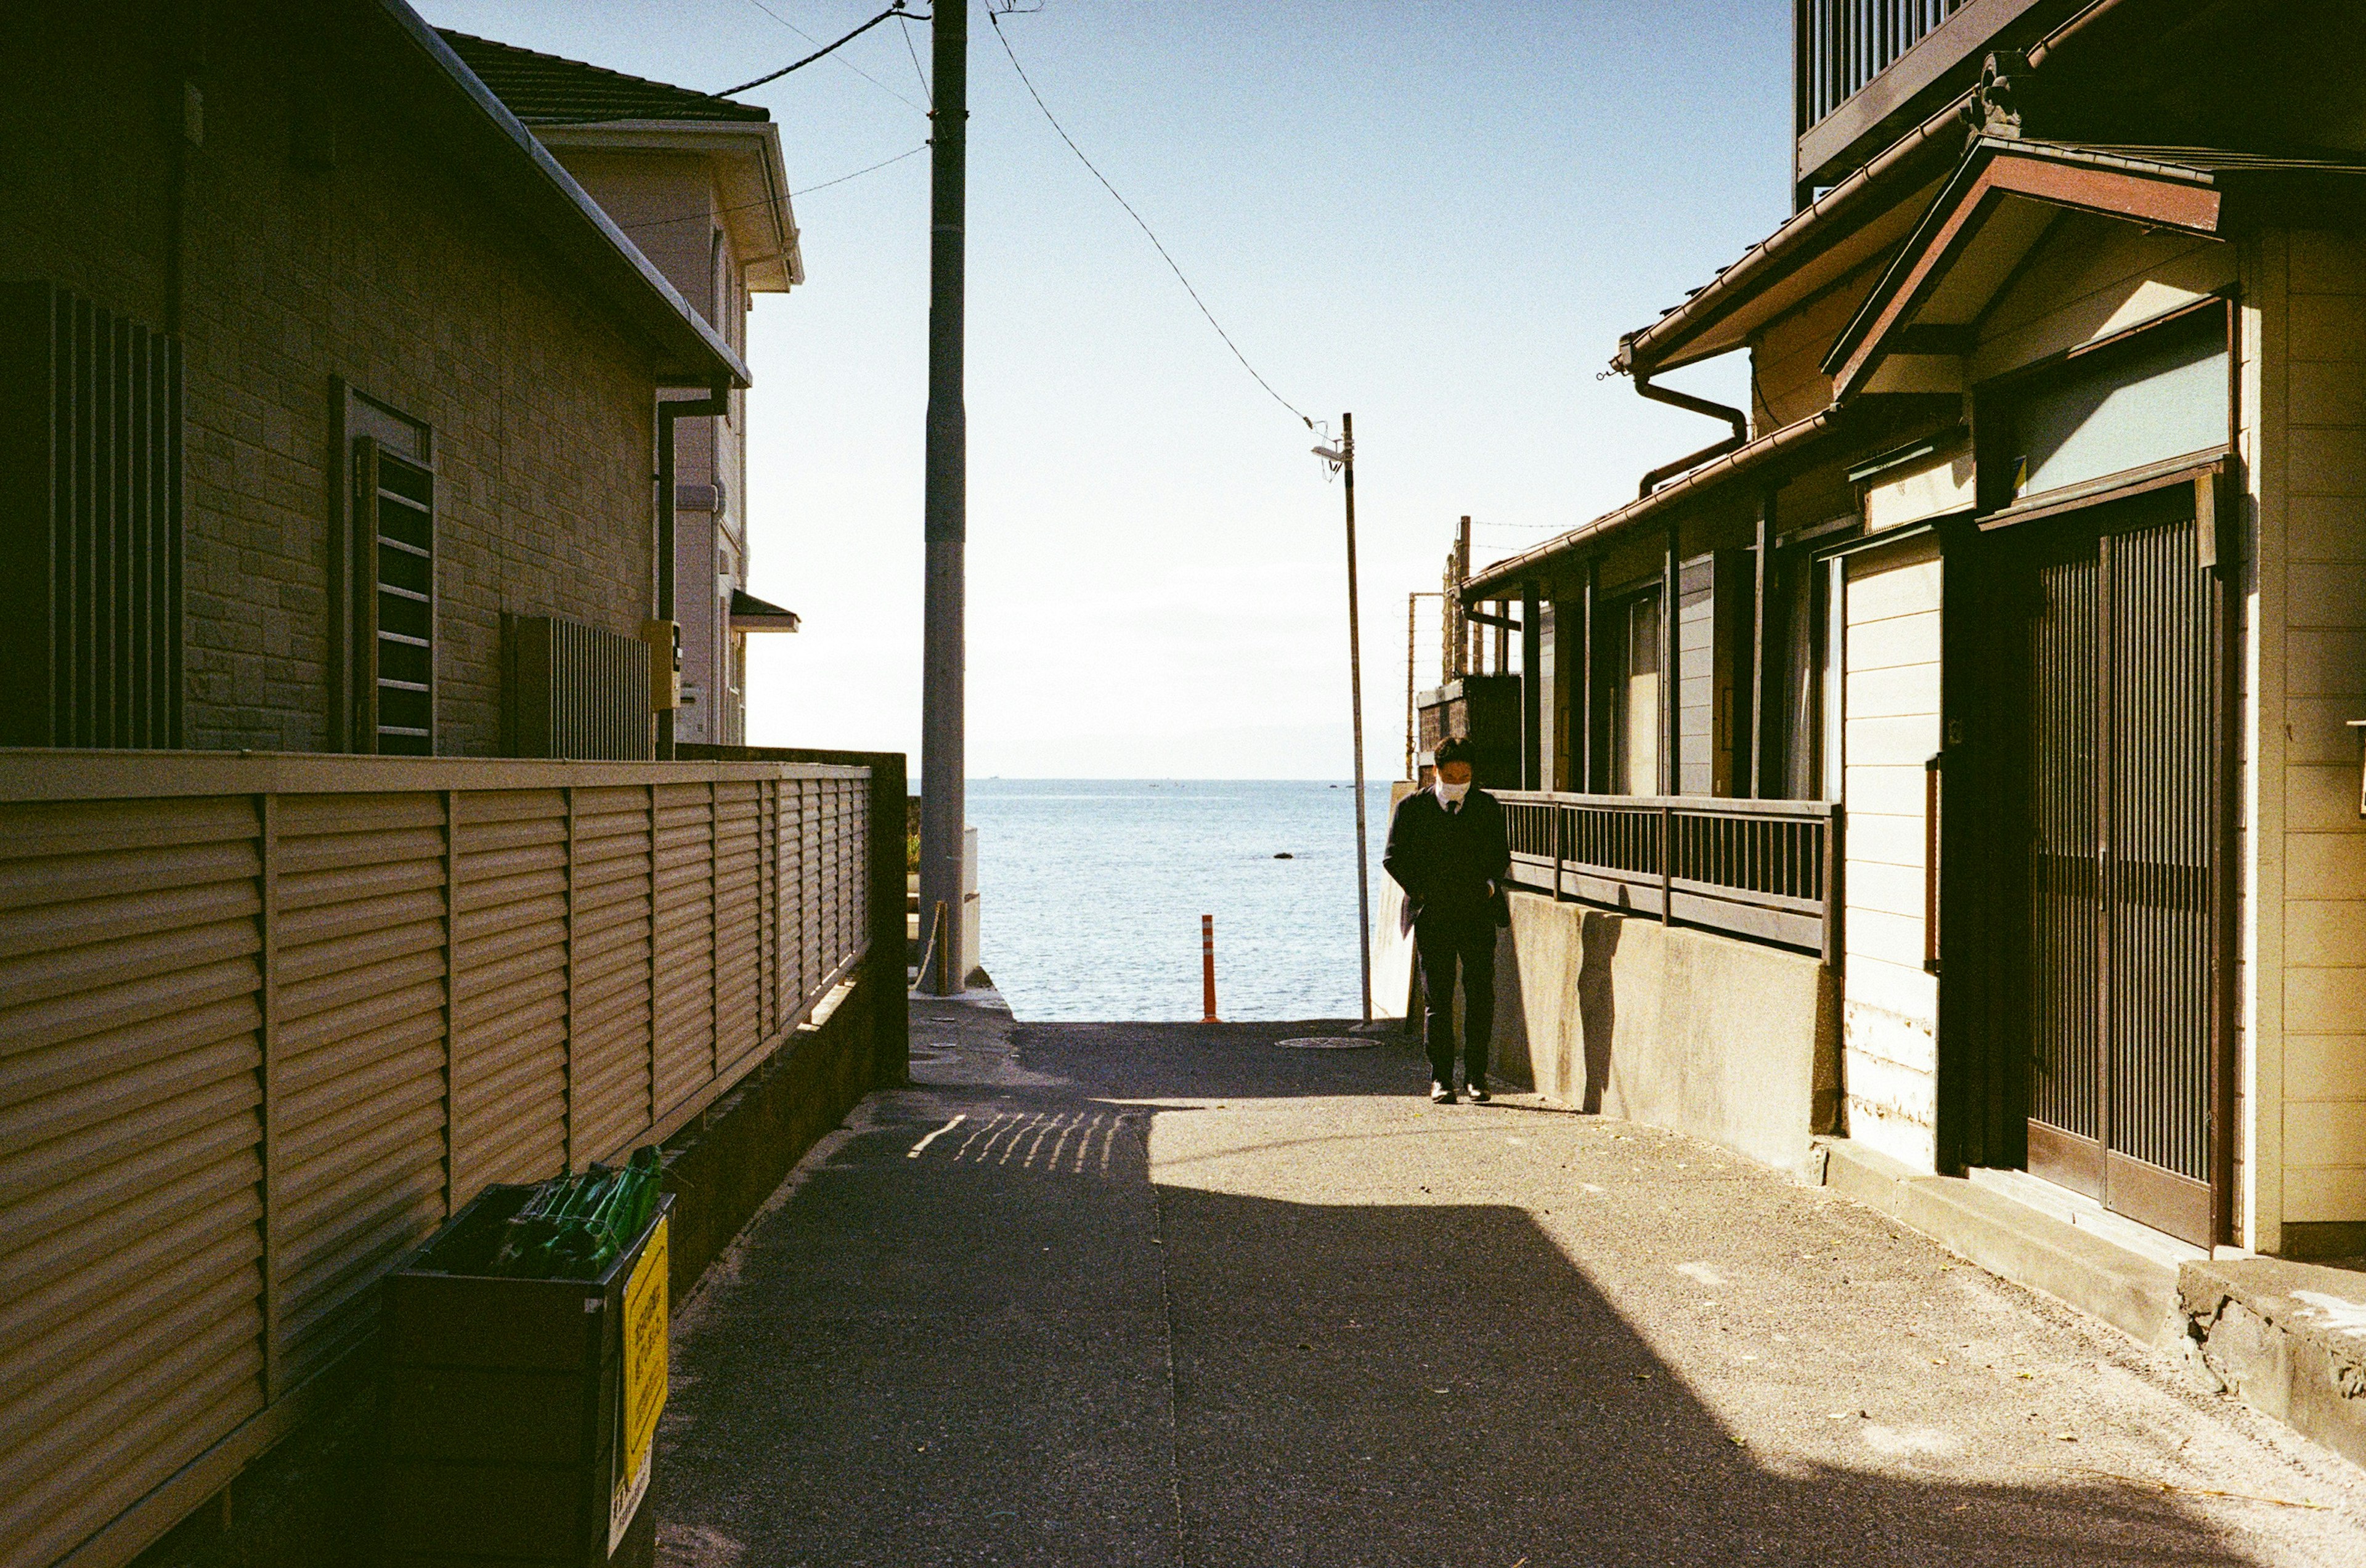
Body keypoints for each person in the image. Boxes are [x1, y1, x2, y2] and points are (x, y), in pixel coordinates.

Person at [1383, 735, 1510, 1104]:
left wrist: (1488, 886)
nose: (1458, 780)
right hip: (1433, 913)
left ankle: (1476, 1077)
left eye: (1466, 774)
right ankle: (1441, 1078)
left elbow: (1499, 854)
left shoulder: (1486, 807)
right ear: (1435, 771)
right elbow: (1393, 858)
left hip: (1476, 912)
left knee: (1480, 995)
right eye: (1451, 773)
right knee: (1437, 999)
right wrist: (1421, 892)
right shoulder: (1412, 809)